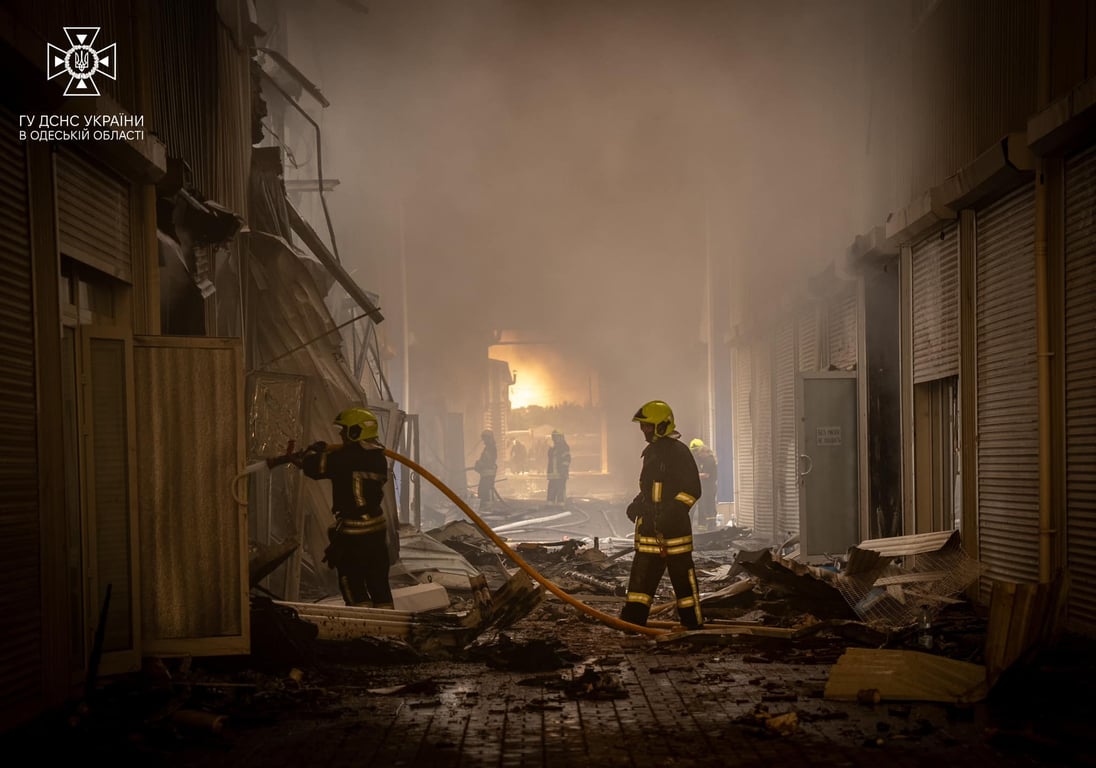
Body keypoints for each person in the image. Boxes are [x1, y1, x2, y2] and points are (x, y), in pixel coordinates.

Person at [298, 406, 393, 608]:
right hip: (376, 531)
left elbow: (311, 467)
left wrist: (313, 450)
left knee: (352, 583)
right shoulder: (379, 458)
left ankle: (363, 631)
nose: (341, 434)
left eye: (345, 429)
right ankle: (389, 630)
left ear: (356, 431)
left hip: (354, 534)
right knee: (379, 584)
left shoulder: (344, 458)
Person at [621, 400, 704, 630]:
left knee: (683, 582)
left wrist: (672, 513)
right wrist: (637, 504)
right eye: (643, 426)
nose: (643, 430)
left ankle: (692, 624)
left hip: (675, 531)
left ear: (661, 425)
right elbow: (650, 489)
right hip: (649, 529)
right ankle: (633, 623)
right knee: (640, 580)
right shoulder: (651, 452)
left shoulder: (679, 452)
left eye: (648, 426)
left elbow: (692, 491)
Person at [688, 438, 719, 530]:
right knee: (706, 505)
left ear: (704, 452)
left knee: (708, 506)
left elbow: (706, 475)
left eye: (699, 453)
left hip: (709, 488)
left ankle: (711, 525)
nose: (698, 455)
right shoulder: (704, 460)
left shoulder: (709, 461)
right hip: (705, 488)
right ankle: (706, 525)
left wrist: (693, 475)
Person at [473, 428, 499, 510]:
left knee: (484, 490)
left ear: (489, 438)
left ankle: (486, 506)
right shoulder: (488, 448)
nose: (484, 441)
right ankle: (485, 505)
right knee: (483, 489)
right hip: (486, 473)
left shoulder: (490, 448)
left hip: (489, 473)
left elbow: (489, 461)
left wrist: (480, 464)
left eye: (485, 438)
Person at [545, 429, 572, 505]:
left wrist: (563, 470)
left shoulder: (564, 447)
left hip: (561, 473)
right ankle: (550, 502)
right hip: (553, 474)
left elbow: (567, 459)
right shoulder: (553, 448)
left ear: (561, 437)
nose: (555, 439)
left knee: (560, 488)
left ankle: (561, 503)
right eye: (554, 437)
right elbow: (551, 459)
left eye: (557, 437)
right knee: (552, 488)